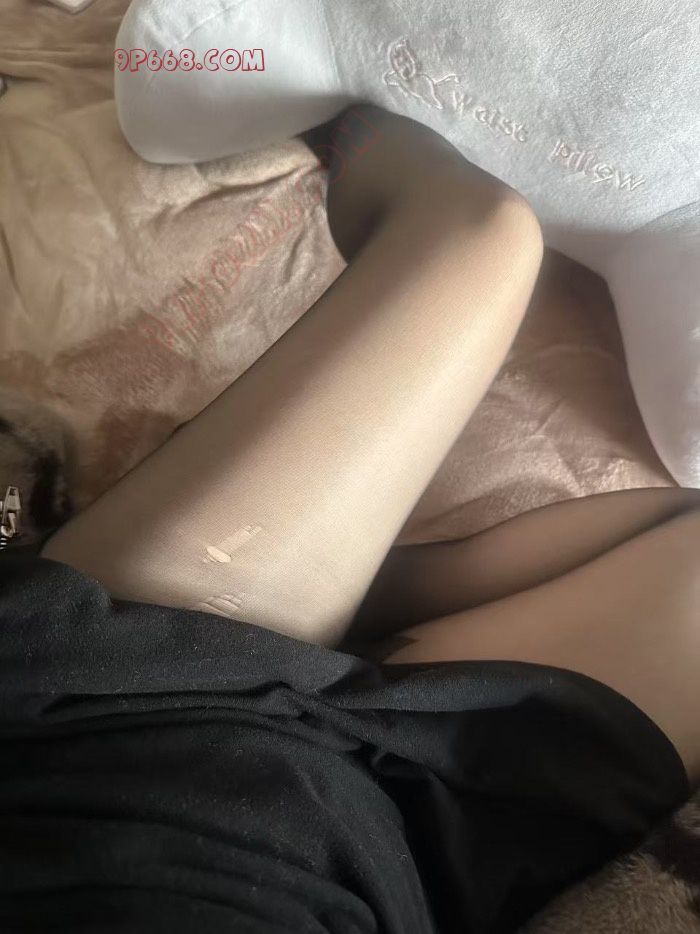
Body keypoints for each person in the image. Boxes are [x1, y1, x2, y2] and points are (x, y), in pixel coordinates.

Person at [1, 105, 697, 934]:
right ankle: (353, 592)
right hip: (403, 848)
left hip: (126, 717)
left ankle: (340, 116)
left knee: (482, 232)